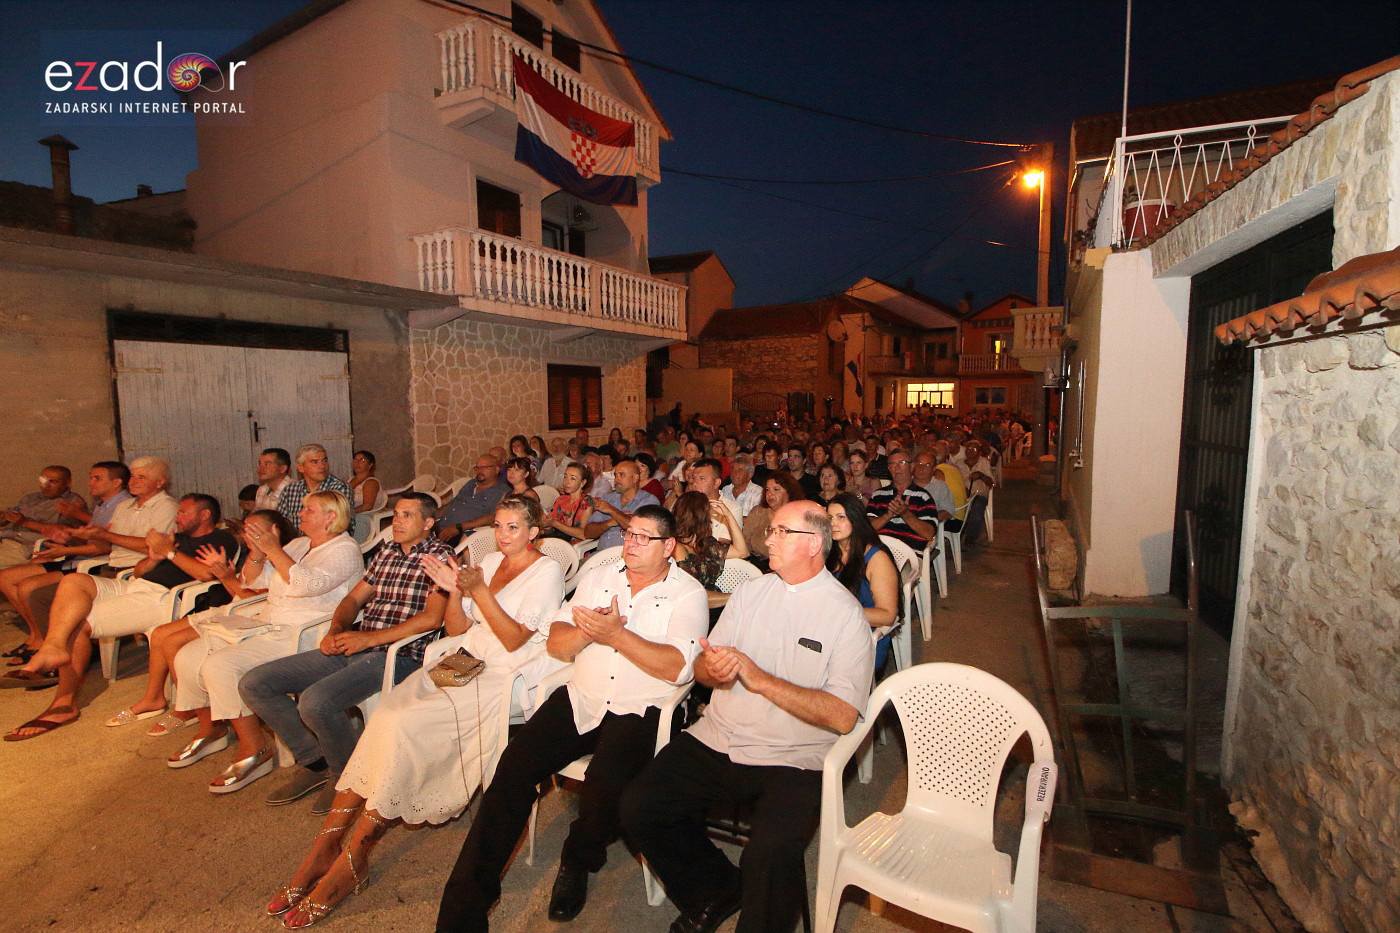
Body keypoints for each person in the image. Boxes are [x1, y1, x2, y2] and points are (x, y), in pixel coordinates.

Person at [267, 496, 565, 928]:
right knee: (389, 714)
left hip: (505, 674)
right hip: (465, 659)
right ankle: (326, 844)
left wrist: (477, 590)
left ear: (534, 532)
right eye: (499, 526)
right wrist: (454, 592)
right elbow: (459, 629)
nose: (502, 535)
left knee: (406, 728)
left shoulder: (546, 570)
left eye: (513, 527)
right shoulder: (491, 561)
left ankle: (354, 856)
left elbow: (515, 639)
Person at [435, 505, 709, 931]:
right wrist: (588, 632)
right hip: (583, 696)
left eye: (644, 537)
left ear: (669, 545)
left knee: (605, 791)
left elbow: (679, 668)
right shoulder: (600, 577)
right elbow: (557, 644)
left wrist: (616, 635)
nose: (631, 544)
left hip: (642, 707)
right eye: (629, 534)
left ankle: (578, 858)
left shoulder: (687, 593)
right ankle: (462, 913)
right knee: (511, 770)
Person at [621, 501, 874, 933]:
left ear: (814, 544)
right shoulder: (752, 592)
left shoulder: (845, 615)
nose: (767, 539)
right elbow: (703, 669)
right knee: (638, 807)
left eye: (781, 532)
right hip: (720, 735)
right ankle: (716, 890)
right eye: (771, 529)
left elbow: (843, 715)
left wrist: (760, 680)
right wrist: (710, 669)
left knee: (769, 854)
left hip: (793, 755)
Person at [238, 493, 454, 809]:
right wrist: (336, 630)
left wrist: (369, 640)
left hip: (400, 655)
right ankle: (315, 761)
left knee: (316, 702)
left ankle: (345, 777)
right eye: (396, 513)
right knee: (256, 683)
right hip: (358, 643)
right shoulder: (388, 552)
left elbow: (432, 618)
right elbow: (353, 599)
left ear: (428, 523)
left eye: (407, 515)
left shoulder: (440, 556)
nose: (396, 521)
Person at [165, 492, 362, 793]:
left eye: (309, 509)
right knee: (187, 656)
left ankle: (254, 747)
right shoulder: (299, 544)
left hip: (304, 633)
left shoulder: (345, 549)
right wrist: (257, 552)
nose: (301, 513)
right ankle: (211, 730)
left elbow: (307, 584)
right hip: (268, 622)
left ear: (330, 517)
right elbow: (253, 582)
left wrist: (273, 549)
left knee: (220, 666)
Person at [3, 492, 236, 741]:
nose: (177, 517)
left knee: (77, 625)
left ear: (204, 515)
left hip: (161, 598)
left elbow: (207, 575)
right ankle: (53, 647)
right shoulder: (177, 538)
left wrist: (170, 553)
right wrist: (154, 558)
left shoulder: (221, 539)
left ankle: (63, 703)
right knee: (74, 581)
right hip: (135, 585)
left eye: (183, 512)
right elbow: (139, 570)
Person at [106, 508, 297, 733]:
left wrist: (226, 577)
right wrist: (225, 574)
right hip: (235, 607)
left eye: (255, 529)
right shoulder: (253, 555)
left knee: (173, 642)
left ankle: (194, 712)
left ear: (274, 531)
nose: (248, 534)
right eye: (246, 530)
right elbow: (240, 592)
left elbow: (255, 599)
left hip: (251, 615)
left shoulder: (283, 557)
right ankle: (156, 698)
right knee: (159, 633)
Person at [0, 461, 130, 667]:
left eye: (97, 478)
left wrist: (64, 549)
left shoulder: (122, 506)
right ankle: (37, 635)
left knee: (27, 587)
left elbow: (105, 547)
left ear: (116, 482)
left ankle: (49, 642)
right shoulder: (103, 504)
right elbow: (91, 537)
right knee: (6, 578)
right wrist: (67, 536)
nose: (90, 482)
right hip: (77, 558)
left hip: (94, 564)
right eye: (90, 477)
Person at [826, 494, 901, 671]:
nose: (833, 524)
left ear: (856, 519)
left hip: (865, 636)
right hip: (832, 630)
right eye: (829, 518)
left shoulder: (876, 559)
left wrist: (836, 613)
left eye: (841, 517)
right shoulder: (829, 551)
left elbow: (888, 615)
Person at [0, 466, 86, 570]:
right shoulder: (31, 498)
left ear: (67, 483)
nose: (46, 485)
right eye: (43, 480)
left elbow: (66, 531)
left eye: (52, 481)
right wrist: (5, 517)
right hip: (5, 538)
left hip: (26, 547)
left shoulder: (72, 502)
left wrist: (24, 522)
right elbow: (11, 516)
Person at [672, 491, 748, 590]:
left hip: (710, 595)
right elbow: (689, 591)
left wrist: (729, 516)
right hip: (694, 597)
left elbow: (742, 552)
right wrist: (732, 596)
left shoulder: (705, 543)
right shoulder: (677, 547)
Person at [866, 451, 937, 550]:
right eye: (892, 464)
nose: (897, 467)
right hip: (880, 552)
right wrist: (887, 516)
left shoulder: (923, 496)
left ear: (912, 466)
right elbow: (867, 529)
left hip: (910, 554)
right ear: (888, 468)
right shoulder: (878, 495)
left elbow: (929, 534)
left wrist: (906, 514)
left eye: (902, 463)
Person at [584, 458, 659, 551]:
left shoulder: (648, 501)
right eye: (615, 475)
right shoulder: (608, 498)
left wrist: (611, 510)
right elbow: (588, 533)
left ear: (635, 478)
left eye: (622, 475)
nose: (616, 479)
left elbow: (638, 530)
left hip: (628, 555)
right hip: (600, 554)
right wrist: (610, 523)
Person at [277, 445, 355, 527]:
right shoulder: (290, 490)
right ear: (301, 468)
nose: (322, 466)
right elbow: (280, 524)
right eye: (315, 462)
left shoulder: (339, 488)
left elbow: (340, 525)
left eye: (325, 460)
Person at [437, 454, 508, 543]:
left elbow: (494, 517)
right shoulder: (471, 484)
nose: (479, 470)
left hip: (463, 536)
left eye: (484, 467)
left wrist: (459, 527)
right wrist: (429, 515)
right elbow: (452, 503)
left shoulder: (502, 491)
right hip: (440, 526)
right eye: (477, 467)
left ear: (496, 469)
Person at [741, 473, 802, 563]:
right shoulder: (758, 512)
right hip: (755, 564)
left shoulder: (798, 517)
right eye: (767, 490)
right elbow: (744, 542)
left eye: (776, 489)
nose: (770, 494)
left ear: (789, 492)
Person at [682, 458, 743, 542]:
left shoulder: (732, 509)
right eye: (694, 478)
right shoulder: (688, 504)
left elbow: (722, 546)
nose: (695, 483)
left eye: (701, 478)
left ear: (716, 483)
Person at [541, 463, 594, 543]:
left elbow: (583, 534)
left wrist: (554, 523)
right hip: (557, 542)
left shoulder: (586, 502)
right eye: (565, 477)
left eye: (573, 479)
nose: (566, 482)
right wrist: (546, 524)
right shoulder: (561, 499)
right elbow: (552, 529)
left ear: (582, 483)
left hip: (574, 546)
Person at [721, 453, 762, 520]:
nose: (734, 473)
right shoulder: (725, 490)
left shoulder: (758, 493)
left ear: (750, 474)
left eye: (740, 470)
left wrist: (728, 519)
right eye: (733, 469)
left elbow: (755, 520)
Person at [255, 448, 294, 513]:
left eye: (267, 464)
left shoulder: (294, 491)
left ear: (283, 468)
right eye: (260, 463)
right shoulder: (261, 490)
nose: (260, 468)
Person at [348, 450, 382, 515]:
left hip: (364, 516)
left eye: (362, 460)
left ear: (370, 465)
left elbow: (367, 506)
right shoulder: (350, 480)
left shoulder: (371, 482)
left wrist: (347, 514)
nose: (357, 463)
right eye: (355, 460)